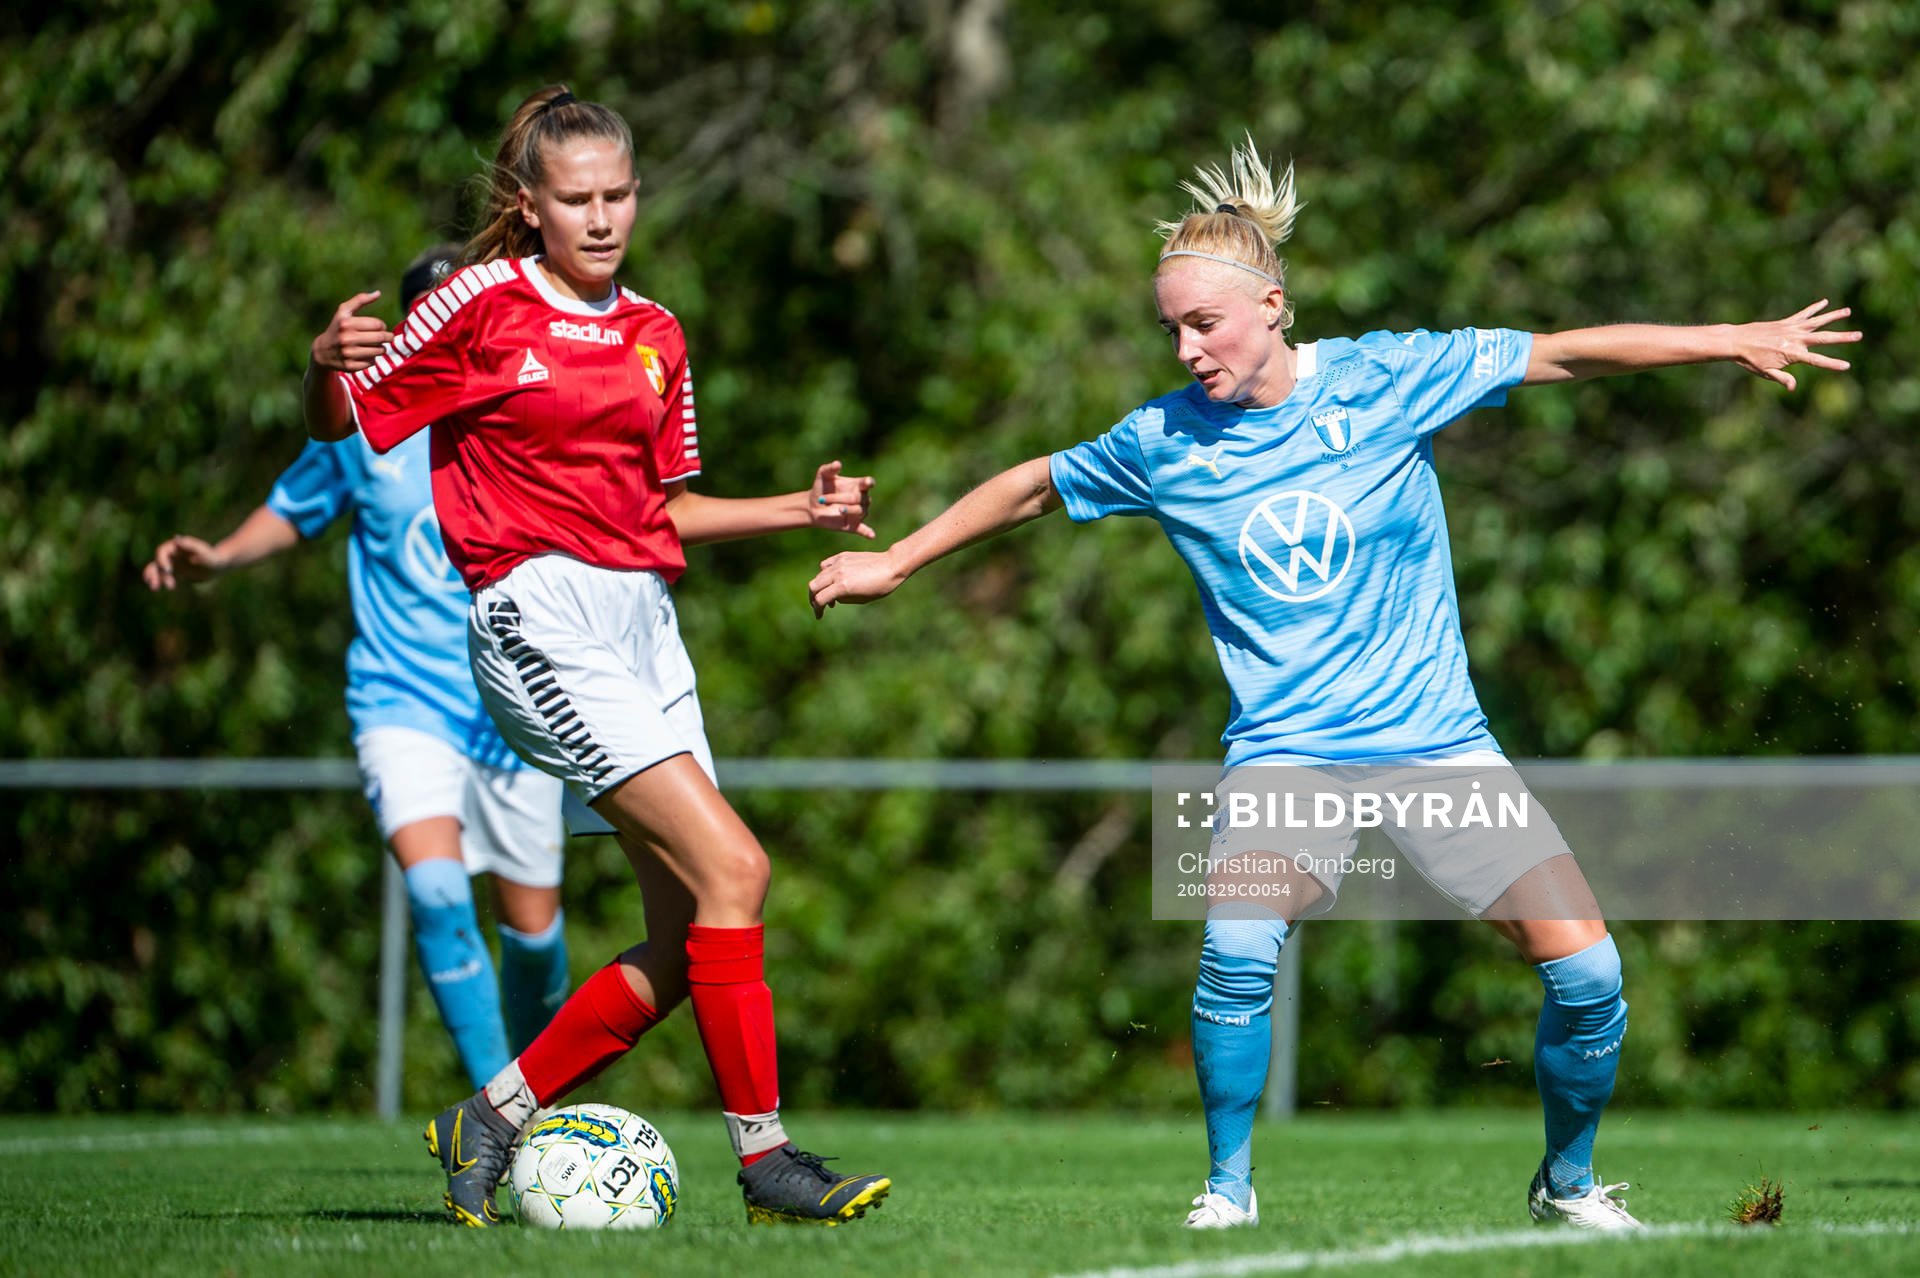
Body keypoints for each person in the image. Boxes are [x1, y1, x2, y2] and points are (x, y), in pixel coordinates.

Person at [806, 138, 1861, 1231]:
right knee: (1238, 946)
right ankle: (1226, 1192)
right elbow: (1035, 483)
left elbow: (1561, 356)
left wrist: (1725, 340)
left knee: (1590, 975)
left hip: (1434, 742)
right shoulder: (1165, 441)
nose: (1185, 347)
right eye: (1170, 328)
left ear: (1273, 304)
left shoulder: (1384, 378)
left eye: (1202, 323)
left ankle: (1570, 1186)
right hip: (1290, 752)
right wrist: (900, 561)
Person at [301, 85, 891, 1228]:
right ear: (528, 207)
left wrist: (797, 511)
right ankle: (765, 1160)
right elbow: (347, 424)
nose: (605, 217)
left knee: (686, 940)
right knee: (739, 872)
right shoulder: (477, 304)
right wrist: (324, 362)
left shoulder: (656, 332)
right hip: (537, 620)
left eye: (620, 193)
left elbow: (659, 517)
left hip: (642, 625)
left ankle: (495, 1112)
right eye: (578, 198)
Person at [144, 245, 572, 1093]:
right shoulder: (369, 424)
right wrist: (222, 557)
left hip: (516, 710)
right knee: (440, 896)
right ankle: (497, 1116)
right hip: (402, 699)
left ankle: (546, 1097)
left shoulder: (529, 410)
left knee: (534, 934)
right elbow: (295, 499)